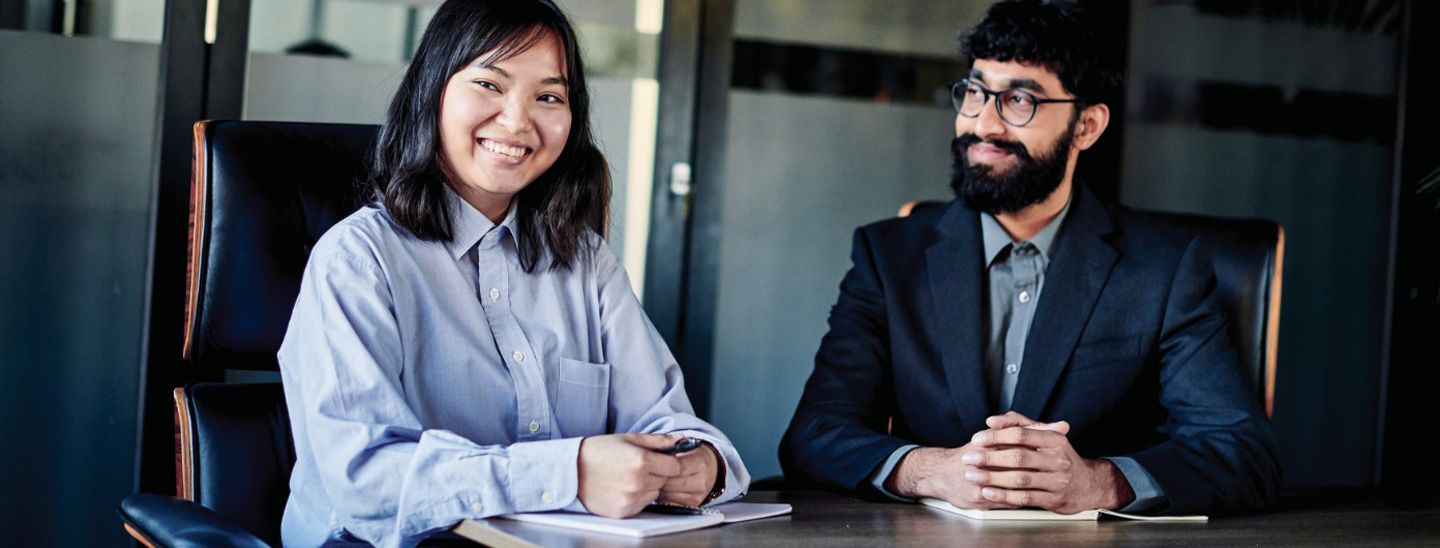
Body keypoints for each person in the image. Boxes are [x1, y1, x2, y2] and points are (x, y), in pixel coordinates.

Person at [780, 0, 1280, 516]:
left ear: (1086, 127)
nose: (984, 124)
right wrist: (933, 472)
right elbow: (815, 435)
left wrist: (1100, 482)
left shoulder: (1165, 267)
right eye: (974, 93)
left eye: (1019, 100)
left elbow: (1242, 454)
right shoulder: (888, 257)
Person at [277, 1, 748, 545]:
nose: (518, 121)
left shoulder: (583, 260)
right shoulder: (359, 259)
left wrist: (702, 468)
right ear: (432, 92)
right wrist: (570, 473)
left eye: (548, 96)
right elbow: (366, 480)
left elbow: (670, 423)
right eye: (490, 84)